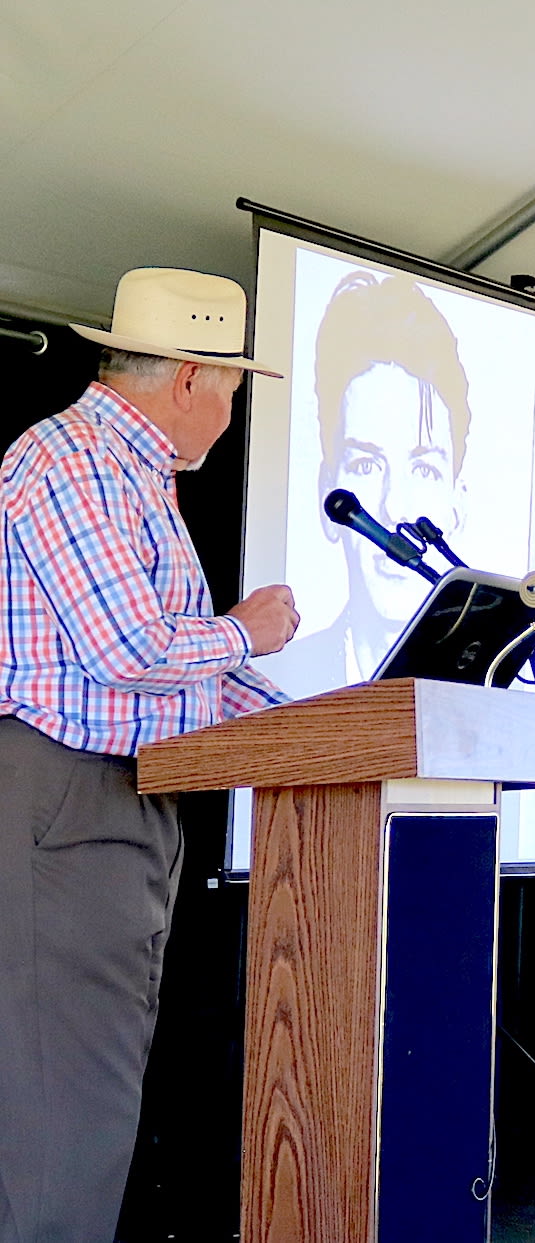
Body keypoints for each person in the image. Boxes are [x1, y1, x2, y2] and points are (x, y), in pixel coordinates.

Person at [0, 267, 298, 1241]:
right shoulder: (74, 461)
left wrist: (335, 716)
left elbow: (177, 663)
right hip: (67, 798)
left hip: (117, 805)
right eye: (231, 393)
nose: (225, 417)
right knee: (67, 1103)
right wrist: (246, 631)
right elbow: (128, 649)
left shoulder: (131, 476)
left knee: (85, 1088)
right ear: (189, 380)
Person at [280, 272, 473, 690]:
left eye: (423, 469)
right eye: (367, 466)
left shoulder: (494, 686)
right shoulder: (276, 687)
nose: (394, 507)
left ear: (458, 502)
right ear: (325, 497)